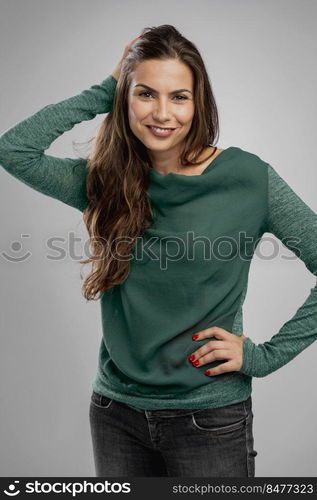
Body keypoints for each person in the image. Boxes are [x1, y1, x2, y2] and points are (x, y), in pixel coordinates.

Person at [0, 24, 316, 478]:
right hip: (115, 412)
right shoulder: (105, 181)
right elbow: (14, 150)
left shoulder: (248, 179)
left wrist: (264, 356)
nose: (162, 113)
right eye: (145, 94)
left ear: (198, 102)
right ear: (125, 99)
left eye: (179, 97)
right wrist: (106, 88)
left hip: (208, 418)